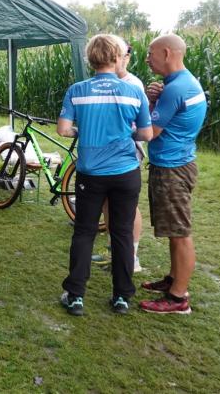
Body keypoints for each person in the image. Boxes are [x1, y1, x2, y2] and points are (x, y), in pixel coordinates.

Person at [57, 34, 153, 316]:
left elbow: (63, 129)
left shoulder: (77, 90)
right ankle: (122, 297)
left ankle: (76, 296)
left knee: (84, 232)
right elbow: (146, 133)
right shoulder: (133, 91)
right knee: (121, 233)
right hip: (125, 171)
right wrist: (125, 134)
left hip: (91, 173)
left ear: (91, 59)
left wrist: (82, 131)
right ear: (117, 57)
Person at [139, 34, 207, 315]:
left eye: (150, 53)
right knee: (174, 230)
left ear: (167, 53)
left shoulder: (176, 88)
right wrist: (155, 101)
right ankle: (173, 279)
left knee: (180, 233)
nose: (147, 59)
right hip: (179, 163)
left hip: (172, 169)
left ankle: (178, 297)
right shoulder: (182, 82)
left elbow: (150, 132)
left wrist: (145, 102)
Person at [97, 37, 148, 272]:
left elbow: (140, 126)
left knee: (127, 207)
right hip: (104, 154)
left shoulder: (132, 84)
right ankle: (114, 252)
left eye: (121, 54)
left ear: (125, 57)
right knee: (108, 203)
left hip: (126, 153)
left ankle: (132, 257)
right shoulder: (105, 83)